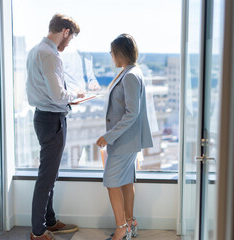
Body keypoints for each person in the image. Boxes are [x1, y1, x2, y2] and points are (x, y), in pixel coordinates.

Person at [26, 14, 85, 240]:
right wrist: (77, 95)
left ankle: (49, 221)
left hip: (44, 118)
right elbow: (58, 95)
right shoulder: (50, 55)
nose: (68, 44)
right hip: (52, 120)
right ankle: (38, 231)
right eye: (70, 39)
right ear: (65, 31)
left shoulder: (35, 50)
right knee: (46, 177)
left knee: (50, 174)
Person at [96, 34, 153, 240]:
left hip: (124, 141)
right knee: (126, 181)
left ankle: (121, 228)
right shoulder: (130, 71)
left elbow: (132, 113)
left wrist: (108, 136)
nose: (111, 57)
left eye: (112, 53)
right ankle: (130, 223)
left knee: (111, 181)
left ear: (120, 53)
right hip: (128, 140)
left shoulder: (130, 75)